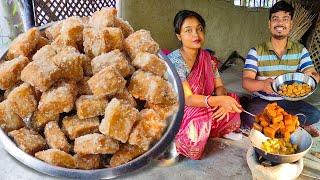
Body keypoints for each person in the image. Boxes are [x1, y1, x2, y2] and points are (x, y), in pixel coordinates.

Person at [167, 10, 243, 160]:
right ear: (178, 35)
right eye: (188, 30)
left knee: (233, 101)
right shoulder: (174, 61)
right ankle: (180, 141)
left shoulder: (207, 58)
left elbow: (219, 86)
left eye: (200, 29)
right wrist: (218, 101)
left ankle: (215, 130)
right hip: (182, 109)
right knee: (199, 118)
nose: (196, 34)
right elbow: (187, 99)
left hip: (205, 102)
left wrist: (223, 102)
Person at [241, 1, 320, 136]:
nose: (280, 23)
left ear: (291, 25)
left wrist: (311, 79)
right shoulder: (256, 51)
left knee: (315, 114)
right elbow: (246, 82)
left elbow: (312, 74)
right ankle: (293, 126)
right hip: (263, 101)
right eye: (275, 19)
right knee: (251, 117)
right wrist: (262, 84)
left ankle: (282, 126)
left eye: (285, 19)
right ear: (269, 24)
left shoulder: (300, 50)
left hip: (288, 101)